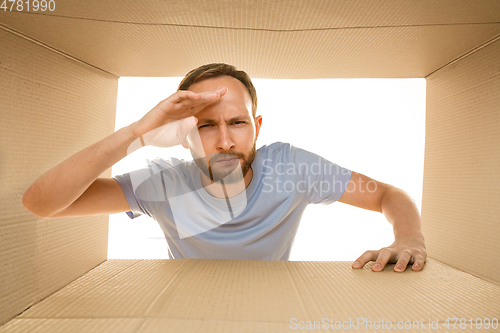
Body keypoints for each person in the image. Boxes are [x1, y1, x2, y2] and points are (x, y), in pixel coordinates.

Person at [22, 63, 426, 272]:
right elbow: (41, 203)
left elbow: (389, 195)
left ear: (257, 127)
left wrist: (410, 239)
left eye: (237, 122)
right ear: (183, 133)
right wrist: (138, 133)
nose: (226, 140)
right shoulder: (165, 184)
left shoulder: (291, 167)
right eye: (206, 126)